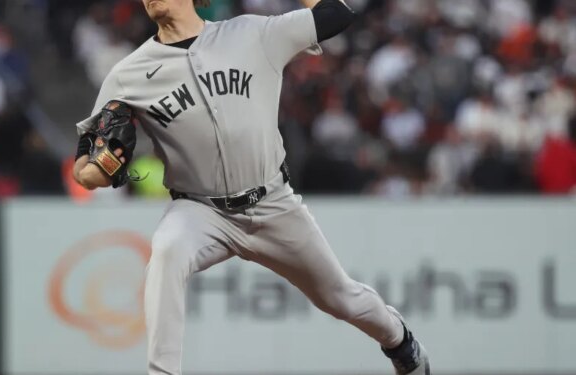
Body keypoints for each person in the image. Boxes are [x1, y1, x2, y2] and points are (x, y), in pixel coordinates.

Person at [73, 1, 431, 374]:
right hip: (200, 210)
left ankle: (400, 342)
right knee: (167, 250)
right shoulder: (128, 74)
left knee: (342, 298)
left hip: (272, 202)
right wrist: (98, 167)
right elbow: (85, 167)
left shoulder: (253, 34)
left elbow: (335, 14)